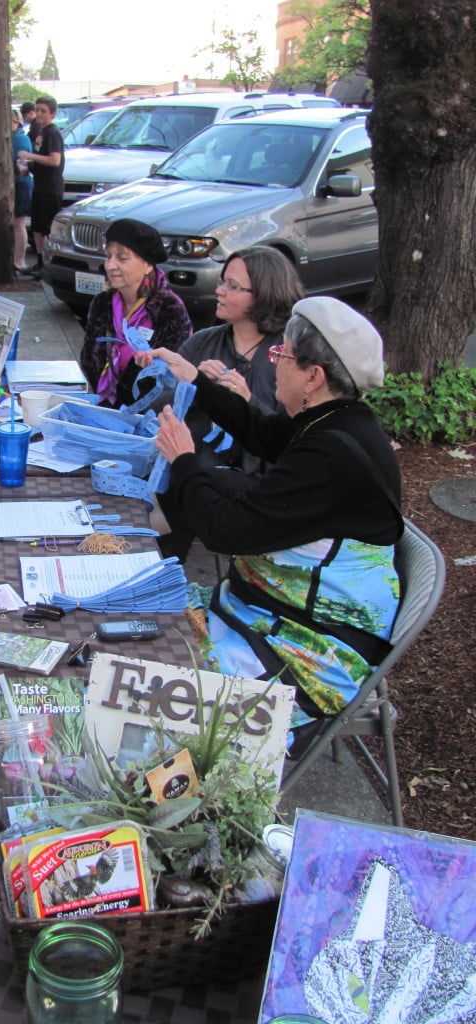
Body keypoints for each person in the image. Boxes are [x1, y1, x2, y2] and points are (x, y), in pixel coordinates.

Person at [135, 297, 402, 754]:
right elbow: (260, 432)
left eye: (283, 355)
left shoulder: (332, 455)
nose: (273, 362)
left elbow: (221, 530)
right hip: (267, 614)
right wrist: (194, 376)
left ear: (313, 377)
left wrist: (183, 461)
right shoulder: (332, 420)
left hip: (310, 654)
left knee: (137, 671)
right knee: (135, 624)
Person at [156, 246, 304, 560]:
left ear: (264, 295)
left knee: (186, 480)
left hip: (252, 479)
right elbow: (162, 407)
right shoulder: (204, 341)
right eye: (222, 282)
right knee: (172, 472)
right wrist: (192, 385)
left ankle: (162, 566)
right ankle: (161, 567)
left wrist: (246, 399)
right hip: (197, 460)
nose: (219, 291)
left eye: (232, 286)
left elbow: (292, 436)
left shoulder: (285, 356)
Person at [79, 218, 192, 408]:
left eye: (122, 258)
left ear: (147, 265)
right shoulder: (102, 303)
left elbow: (169, 381)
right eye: (108, 256)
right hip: (105, 410)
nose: (110, 265)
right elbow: (89, 361)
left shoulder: (170, 310)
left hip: (151, 417)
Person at [16, 95, 64, 279]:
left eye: (44, 111)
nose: (39, 114)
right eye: (37, 110)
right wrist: (28, 166)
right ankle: (40, 262)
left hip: (51, 188)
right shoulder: (41, 133)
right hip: (39, 185)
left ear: (52, 113)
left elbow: (54, 160)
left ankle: (50, 265)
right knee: (36, 227)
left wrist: (30, 156)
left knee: (48, 228)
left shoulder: (53, 133)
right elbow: (41, 161)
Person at [11, 108, 33, 273]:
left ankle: (19, 261)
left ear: (17, 122)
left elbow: (23, 166)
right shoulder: (13, 137)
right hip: (14, 184)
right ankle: (15, 259)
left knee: (19, 223)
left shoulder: (20, 138)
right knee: (15, 223)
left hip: (21, 184)